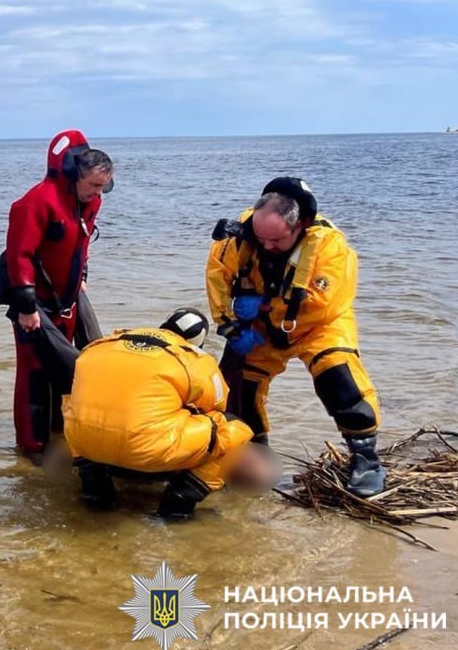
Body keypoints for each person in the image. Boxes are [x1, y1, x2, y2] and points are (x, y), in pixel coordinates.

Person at [206, 177, 385, 497]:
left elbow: (323, 304)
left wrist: (261, 306)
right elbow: (218, 277)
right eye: (260, 238)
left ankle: (365, 457)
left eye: (275, 240)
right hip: (259, 330)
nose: (266, 245)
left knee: (338, 378)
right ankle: (254, 453)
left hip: (318, 326)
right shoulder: (240, 237)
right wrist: (230, 322)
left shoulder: (329, 247)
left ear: (299, 225)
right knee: (241, 390)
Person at [63, 308, 265, 519]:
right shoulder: (194, 358)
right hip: (145, 448)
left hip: (83, 440)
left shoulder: (103, 344)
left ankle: (93, 486)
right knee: (234, 428)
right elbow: (218, 405)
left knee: (75, 406)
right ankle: (181, 499)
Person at [1, 130, 113, 459]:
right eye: (93, 185)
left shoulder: (89, 202)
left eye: (102, 187)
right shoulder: (35, 203)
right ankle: (31, 446)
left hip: (68, 299)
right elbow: (18, 256)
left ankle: (61, 433)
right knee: (34, 371)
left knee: (70, 369)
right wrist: (25, 308)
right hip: (32, 303)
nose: (98, 193)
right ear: (72, 173)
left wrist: (82, 278)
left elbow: (81, 244)